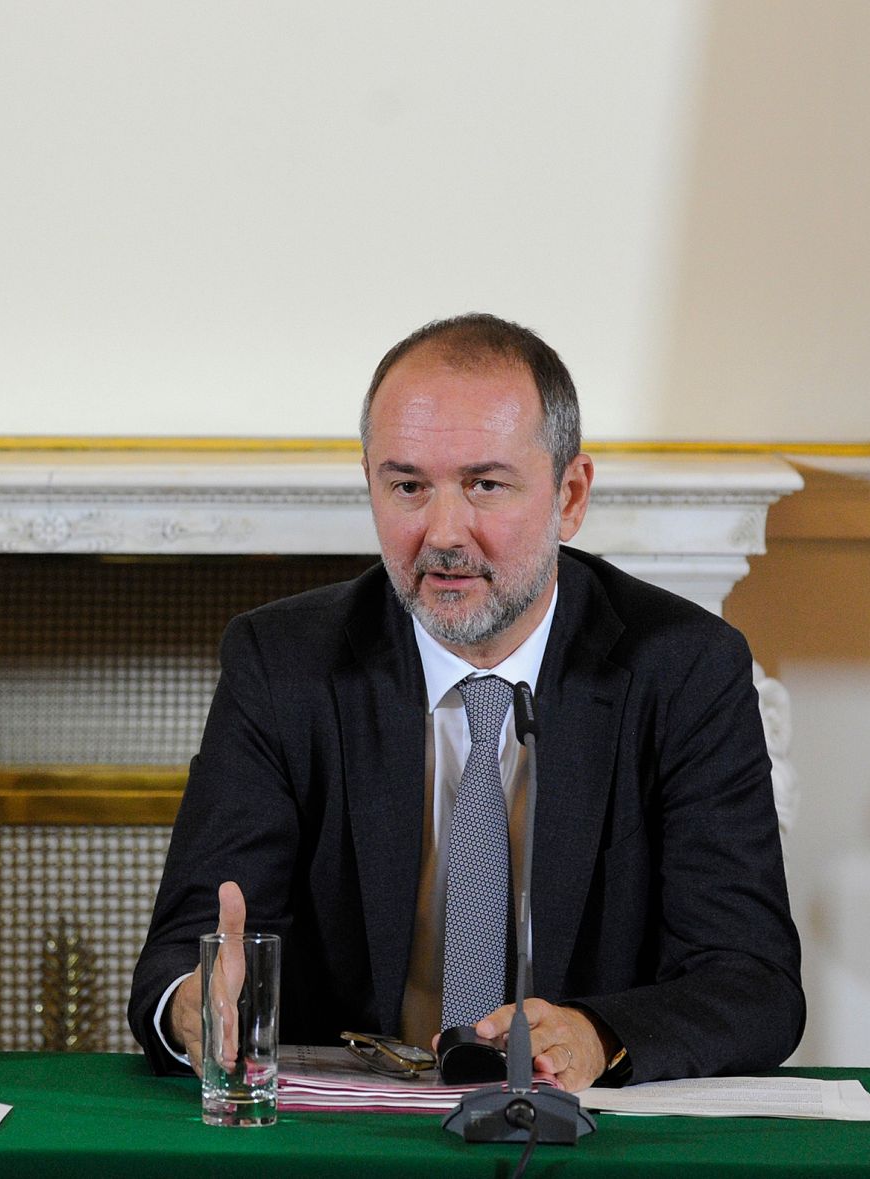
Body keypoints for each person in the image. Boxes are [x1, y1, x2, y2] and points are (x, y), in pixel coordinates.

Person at [129, 313, 803, 1090]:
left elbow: (752, 981)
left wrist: (597, 1033)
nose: (443, 533)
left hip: (577, 1138)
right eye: (408, 485)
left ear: (571, 494)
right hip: (349, 1140)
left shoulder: (684, 669)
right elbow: (186, 960)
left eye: (485, 484)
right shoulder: (284, 666)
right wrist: (196, 1006)